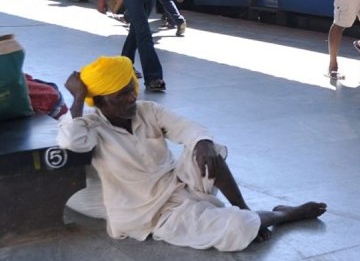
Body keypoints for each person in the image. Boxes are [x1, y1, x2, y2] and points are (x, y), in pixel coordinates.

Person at [57, 55, 326, 252]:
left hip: (178, 185)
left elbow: (187, 127)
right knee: (237, 227)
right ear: (100, 102)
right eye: (121, 95)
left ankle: (246, 209)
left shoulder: (147, 111)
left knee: (210, 151)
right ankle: (282, 216)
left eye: (131, 90)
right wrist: (78, 98)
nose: (131, 98)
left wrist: (202, 142)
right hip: (153, 215)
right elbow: (71, 142)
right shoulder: (91, 126)